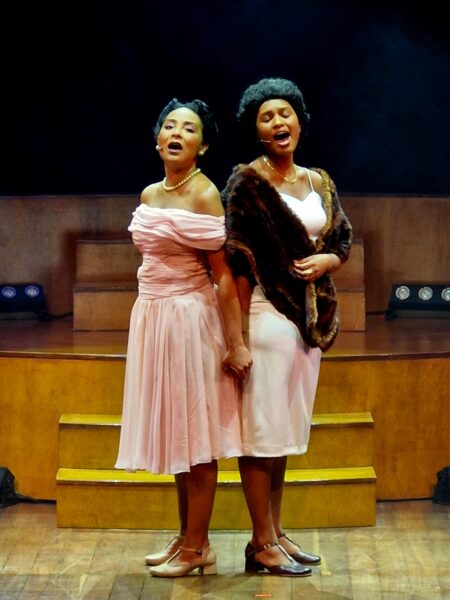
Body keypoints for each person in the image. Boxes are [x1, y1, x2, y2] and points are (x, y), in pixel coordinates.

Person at [115, 98, 252, 578]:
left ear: (203, 145)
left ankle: (197, 548)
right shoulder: (150, 193)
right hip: (153, 315)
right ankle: (188, 537)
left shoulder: (205, 194)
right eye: (169, 126)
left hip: (190, 319)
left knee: (196, 436)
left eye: (189, 128)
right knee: (178, 433)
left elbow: (223, 276)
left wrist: (235, 342)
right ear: (157, 140)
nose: (177, 133)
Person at [221, 77, 353, 576]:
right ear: (256, 130)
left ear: (299, 119)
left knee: (284, 436)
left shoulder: (319, 181)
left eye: (285, 113)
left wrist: (327, 262)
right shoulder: (247, 185)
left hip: (308, 323)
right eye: (266, 117)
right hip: (266, 318)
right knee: (262, 435)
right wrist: (237, 341)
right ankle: (260, 542)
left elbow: (341, 239)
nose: (278, 122)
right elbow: (236, 266)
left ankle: (275, 532)